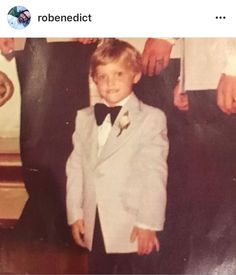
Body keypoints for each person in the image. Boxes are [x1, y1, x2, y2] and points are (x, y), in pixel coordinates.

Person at [66, 39, 169, 274]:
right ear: (94, 80)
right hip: (95, 221)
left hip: (131, 225)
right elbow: (74, 169)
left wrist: (148, 223)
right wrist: (75, 213)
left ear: (135, 75)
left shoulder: (150, 119)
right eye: (102, 76)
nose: (110, 82)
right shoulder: (84, 118)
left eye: (118, 74)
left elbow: (154, 174)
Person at [0, 38, 98, 244]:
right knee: (34, 133)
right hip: (30, 28)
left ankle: (67, 221)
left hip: (71, 27)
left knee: (65, 129)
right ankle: (44, 220)